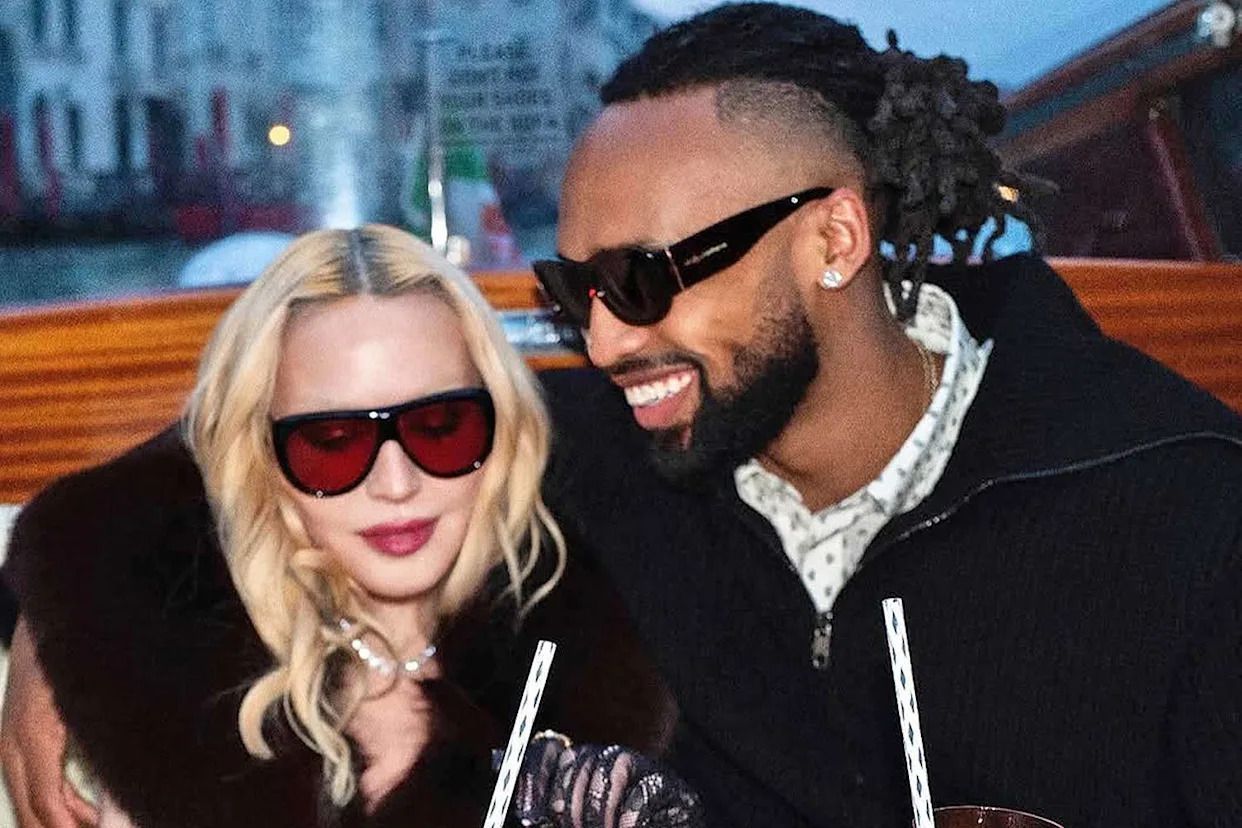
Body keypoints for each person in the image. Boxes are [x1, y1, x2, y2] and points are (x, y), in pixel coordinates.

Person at [5, 3, 1242, 827]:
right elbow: (291, 437)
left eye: (643, 281)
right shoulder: (613, 444)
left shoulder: (1184, 520)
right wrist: (60, 633)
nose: (602, 341)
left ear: (833, 239)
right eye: (574, 292)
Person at [1, 225, 701, 828]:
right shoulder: (172, 693)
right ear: (261, 457)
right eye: (331, 443)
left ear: (501, 429)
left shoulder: (595, 647)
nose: (396, 484)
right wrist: (63, 625)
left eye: (441, 427)